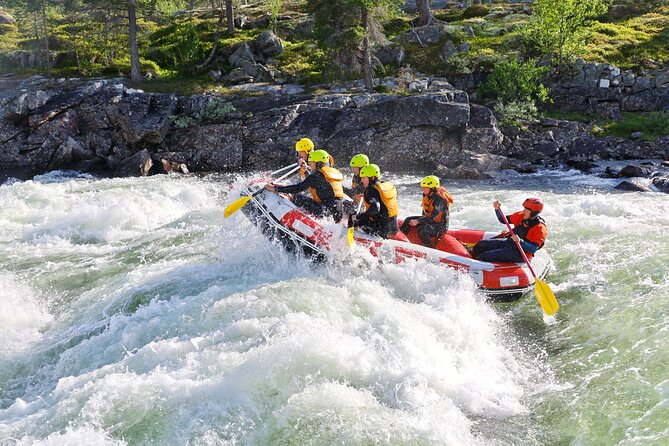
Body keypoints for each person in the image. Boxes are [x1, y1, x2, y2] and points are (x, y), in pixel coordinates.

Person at [265, 149, 344, 221]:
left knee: (298, 197)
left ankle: (296, 218)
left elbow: (297, 188)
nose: (309, 163)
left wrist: (275, 188)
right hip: (336, 213)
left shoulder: (316, 176)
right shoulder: (331, 175)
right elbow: (312, 183)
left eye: (311, 162)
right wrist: (305, 171)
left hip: (324, 212)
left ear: (318, 163)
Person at [471, 198, 547, 263]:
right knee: (480, 245)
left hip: (521, 253)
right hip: (510, 243)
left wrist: (520, 241)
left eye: (527, 210)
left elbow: (533, 249)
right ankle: (468, 259)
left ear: (534, 213)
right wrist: (497, 209)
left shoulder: (540, 228)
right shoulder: (521, 215)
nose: (524, 211)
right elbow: (503, 219)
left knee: (485, 256)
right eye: (524, 208)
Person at [400, 175, 454, 248]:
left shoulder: (440, 199)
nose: (423, 190)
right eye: (423, 188)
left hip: (440, 225)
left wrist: (418, 221)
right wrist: (420, 220)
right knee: (408, 220)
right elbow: (425, 211)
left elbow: (433, 217)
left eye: (426, 188)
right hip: (430, 219)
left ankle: (430, 247)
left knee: (423, 230)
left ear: (433, 188)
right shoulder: (427, 194)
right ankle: (400, 240)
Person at [352, 164, 399, 239]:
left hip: (380, 230)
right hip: (393, 229)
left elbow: (375, 209)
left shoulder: (371, 190)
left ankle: (352, 237)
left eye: (364, 178)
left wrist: (358, 217)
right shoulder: (384, 185)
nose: (361, 180)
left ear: (372, 177)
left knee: (355, 218)